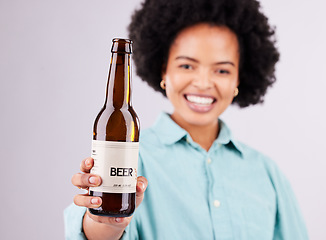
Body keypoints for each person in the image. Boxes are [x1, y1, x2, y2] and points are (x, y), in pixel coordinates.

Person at [64, 0, 309, 239]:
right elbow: (95, 232)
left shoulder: (266, 173)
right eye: (187, 66)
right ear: (163, 70)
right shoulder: (131, 157)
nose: (203, 83)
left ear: (238, 79)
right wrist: (104, 221)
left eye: (222, 70)